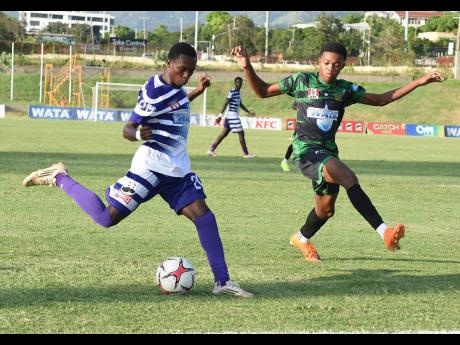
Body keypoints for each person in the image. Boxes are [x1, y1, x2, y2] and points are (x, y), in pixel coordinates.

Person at [22, 42, 254, 298]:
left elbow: (174, 103)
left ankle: (222, 282)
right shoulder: (154, 92)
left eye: (190, 71)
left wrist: (197, 91)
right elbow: (128, 127)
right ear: (168, 64)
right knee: (105, 218)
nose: (185, 75)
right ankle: (59, 176)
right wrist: (136, 135)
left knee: (205, 218)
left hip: (177, 171)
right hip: (151, 168)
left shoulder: (175, 88)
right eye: (181, 70)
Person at [231, 42, 444, 262]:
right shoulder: (301, 81)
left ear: (342, 65)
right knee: (349, 177)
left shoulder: (345, 90)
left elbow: (381, 100)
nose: (330, 67)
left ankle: (301, 238)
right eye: (326, 63)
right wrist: (246, 66)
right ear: (319, 62)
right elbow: (262, 91)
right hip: (305, 151)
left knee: (325, 211)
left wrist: (418, 82)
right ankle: (385, 232)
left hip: (328, 152)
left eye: (336, 64)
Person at [207, 76, 257, 159]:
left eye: (240, 82)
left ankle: (211, 150)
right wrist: (220, 115)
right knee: (241, 133)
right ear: (235, 83)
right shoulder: (232, 91)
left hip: (231, 116)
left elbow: (240, 104)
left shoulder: (238, 93)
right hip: (232, 116)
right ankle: (246, 154)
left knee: (223, 134)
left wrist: (248, 112)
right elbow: (225, 102)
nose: (239, 84)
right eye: (237, 82)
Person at [280, 101, 297, 172]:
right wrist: (301, 108)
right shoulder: (303, 93)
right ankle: (285, 161)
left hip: (313, 123)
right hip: (303, 122)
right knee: (296, 143)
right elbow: (293, 105)